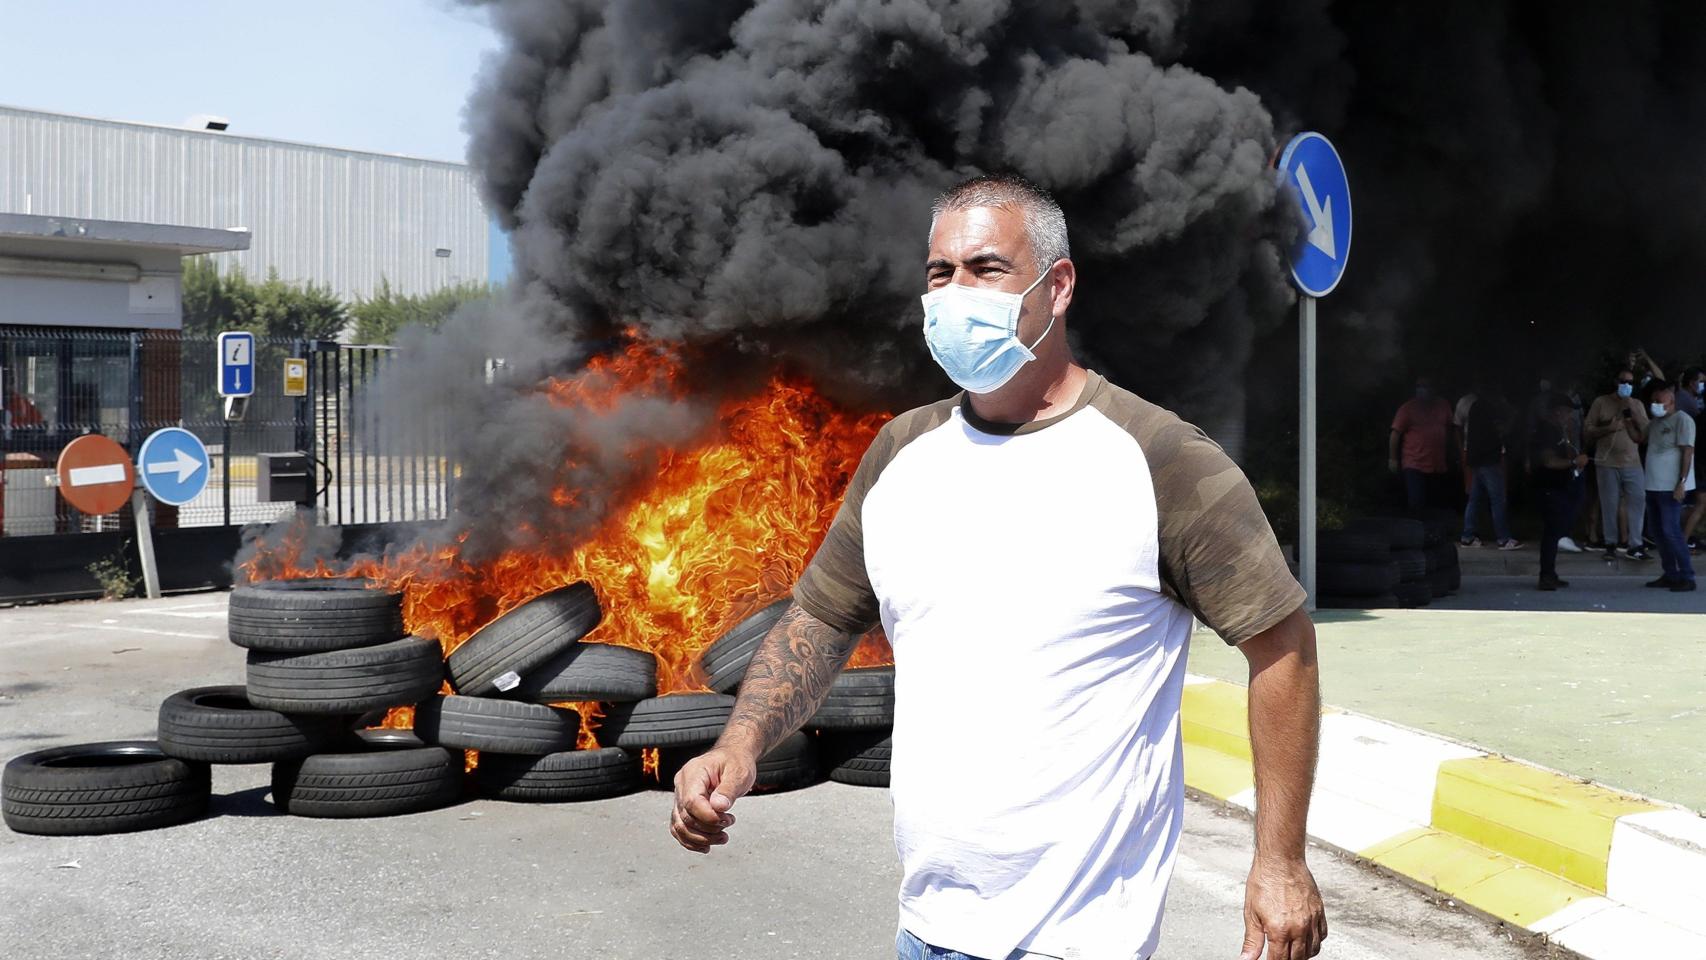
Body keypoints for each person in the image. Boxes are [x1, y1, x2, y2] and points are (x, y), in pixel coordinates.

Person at [669, 174, 1327, 960]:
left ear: (1058, 287)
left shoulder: (1161, 459)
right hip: (927, 927)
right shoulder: (900, 456)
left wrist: (1279, 861)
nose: (955, 294)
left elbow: (1281, 645)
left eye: (985, 269)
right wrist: (739, 744)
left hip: (1084, 941)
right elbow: (820, 619)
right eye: (939, 274)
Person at [1583, 370, 1651, 562]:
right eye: (1623, 381)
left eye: (1630, 382)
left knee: (1638, 501)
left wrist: (1633, 410)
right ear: (1616, 381)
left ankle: (1635, 544)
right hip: (1607, 462)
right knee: (1609, 503)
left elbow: (1646, 431)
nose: (1627, 385)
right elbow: (1587, 430)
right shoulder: (1601, 402)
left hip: (1632, 463)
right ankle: (1610, 544)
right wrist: (1608, 428)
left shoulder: (1636, 403)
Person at [1531, 394, 1590, 591]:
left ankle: (1550, 573)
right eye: (1567, 412)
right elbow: (1549, 461)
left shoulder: (1558, 430)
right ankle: (1546, 575)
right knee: (1551, 533)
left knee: (1554, 531)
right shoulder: (1546, 431)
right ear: (1558, 411)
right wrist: (1573, 463)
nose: (1569, 416)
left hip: (1558, 487)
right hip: (1548, 488)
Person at [1642, 382, 1696, 591]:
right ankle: (1670, 573)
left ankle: (1687, 576)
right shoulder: (1655, 422)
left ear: (1671, 401)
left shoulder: (1683, 420)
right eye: (1653, 401)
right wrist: (1628, 420)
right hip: (1653, 485)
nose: (1655, 404)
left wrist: (1681, 482)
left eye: (1659, 401)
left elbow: (1687, 452)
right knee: (1658, 532)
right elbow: (1639, 438)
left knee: (1671, 531)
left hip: (1670, 487)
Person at [1459, 385, 1519, 548]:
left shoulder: (1475, 407)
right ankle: (1503, 538)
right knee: (1497, 499)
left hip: (1476, 459)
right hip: (1489, 460)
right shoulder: (1489, 409)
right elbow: (1498, 431)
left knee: (1474, 498)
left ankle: (1468, 535)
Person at [1389, 377, 1453, 510]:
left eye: (1426, 386)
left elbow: (1451, 428)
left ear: (1433, 389)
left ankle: (1433, 530)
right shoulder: (1407, 408)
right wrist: (1393, 459)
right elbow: (1395, 434)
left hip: (1437, 464)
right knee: (1416, 502)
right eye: (1419, 386)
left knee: (1435, 502)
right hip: (1414, 463)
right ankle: (1416, 528)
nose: (1422, 390)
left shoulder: (1443, 405)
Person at [1676, 366, 1706, 551]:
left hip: (1699, 464)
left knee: (1699, 505)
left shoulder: (1699, 416)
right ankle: (1683, 540)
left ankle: (1685, 538)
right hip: (1701, 466)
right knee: (1701, 505)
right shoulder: (1695, 412)